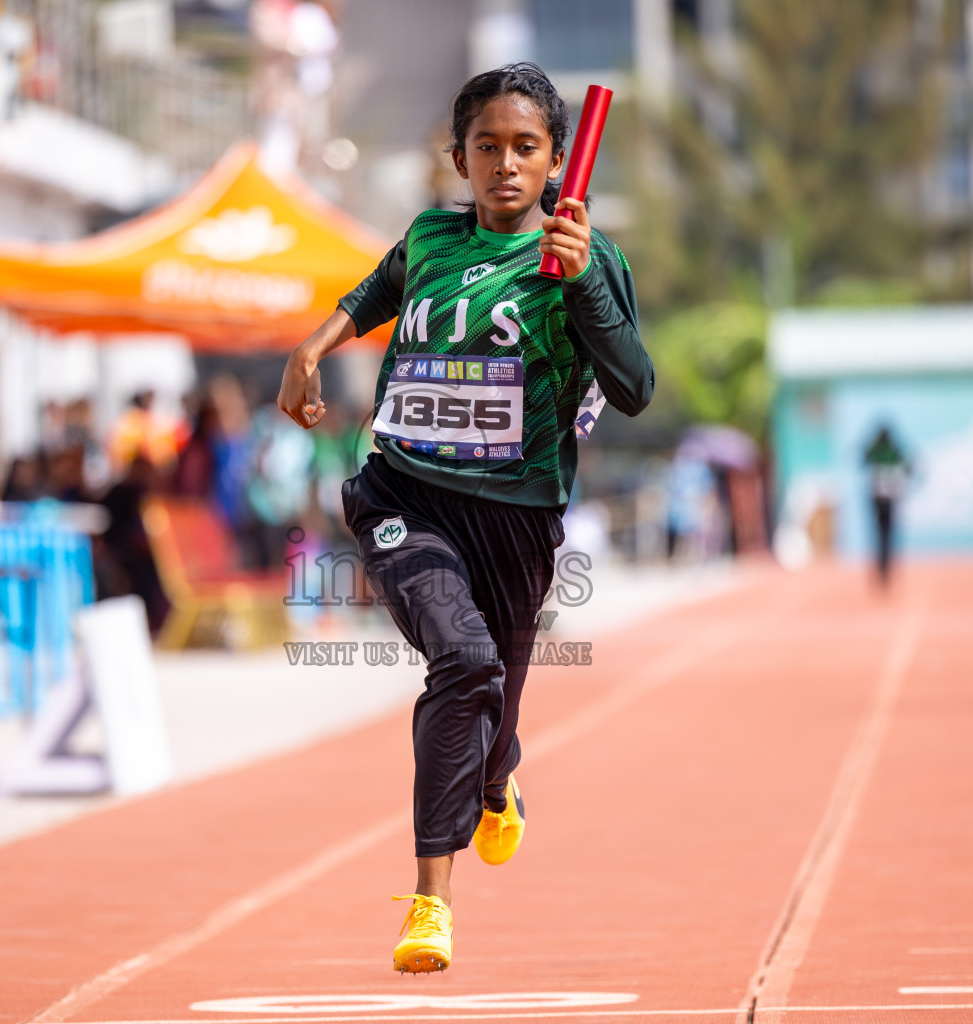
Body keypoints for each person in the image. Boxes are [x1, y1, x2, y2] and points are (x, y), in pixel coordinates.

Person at [276, 63, 653, 974]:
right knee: (464, 660)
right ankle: (429, 906)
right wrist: (314, 345)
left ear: (558, 159)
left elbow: (634, 387)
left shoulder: (586, 259)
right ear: (459, 158)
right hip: (405, 494)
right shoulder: (433, 236)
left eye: (526, 148)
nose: (506, 165)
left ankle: (495, 779)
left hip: (519, 518)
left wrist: (581, 287)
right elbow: (378, 289)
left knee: (495, 709)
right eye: (488, 147)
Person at [862, 425, 910, 588]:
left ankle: (881, 569)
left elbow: (863, 459)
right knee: (889, 534)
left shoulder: (875, 450)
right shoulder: (895, 450)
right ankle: (886, 569)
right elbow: (909, 468)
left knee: (879, 534)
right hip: (891, 497)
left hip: (876, 497)